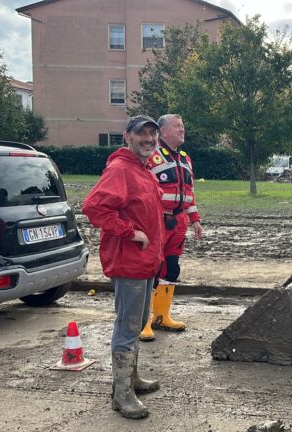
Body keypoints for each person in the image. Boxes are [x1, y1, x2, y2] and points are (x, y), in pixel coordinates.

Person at [82, 115, 164, 419]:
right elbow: (93, 207)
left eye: (152, 134)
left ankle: (131, 379)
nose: (148, 139)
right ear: (126, 137)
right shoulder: (120, 170)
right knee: (128, 326)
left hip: (144, 261)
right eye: (141, 133)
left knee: (138, 319)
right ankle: (122, 395)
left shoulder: (143, 170)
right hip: (128, 260)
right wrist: (130, 232)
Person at [139, 114, 203, 341]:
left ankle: (162, 316)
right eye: (177, 126)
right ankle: (143, 322)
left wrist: (194, 219)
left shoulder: (185, 158)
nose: (182, 129)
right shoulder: (151, 155)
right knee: (151, 269)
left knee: (171, 268)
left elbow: (189, 192)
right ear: (163, 131)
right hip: (156, 221)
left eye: (183, 126)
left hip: (178, 222)